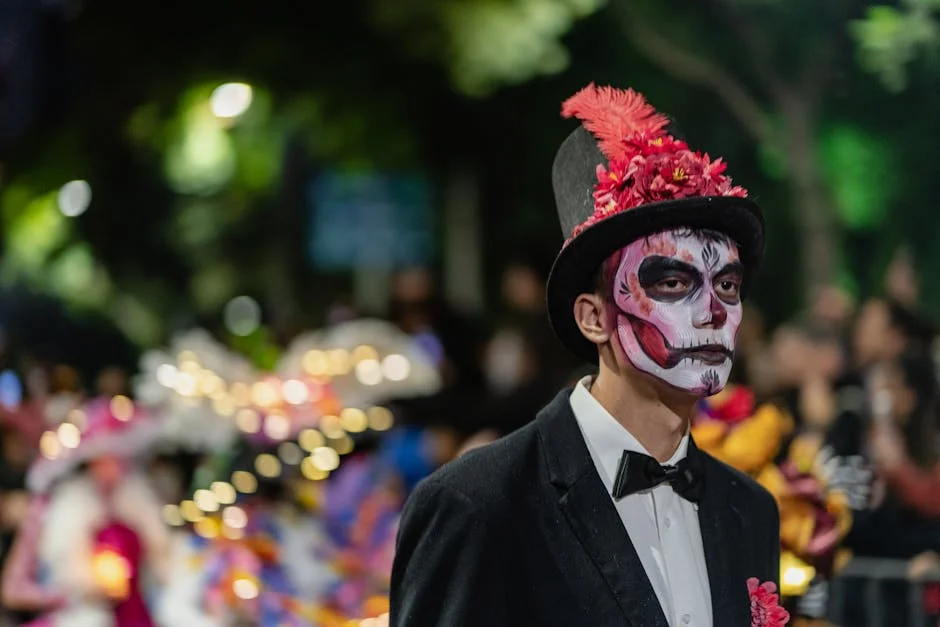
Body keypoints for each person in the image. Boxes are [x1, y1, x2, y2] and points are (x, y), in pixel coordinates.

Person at [390, 84, 784, 626]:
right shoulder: (478, 506)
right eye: (672, 281)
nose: (712, 311)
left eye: (729, 285)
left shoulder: (751, 511)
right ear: (594, 317)